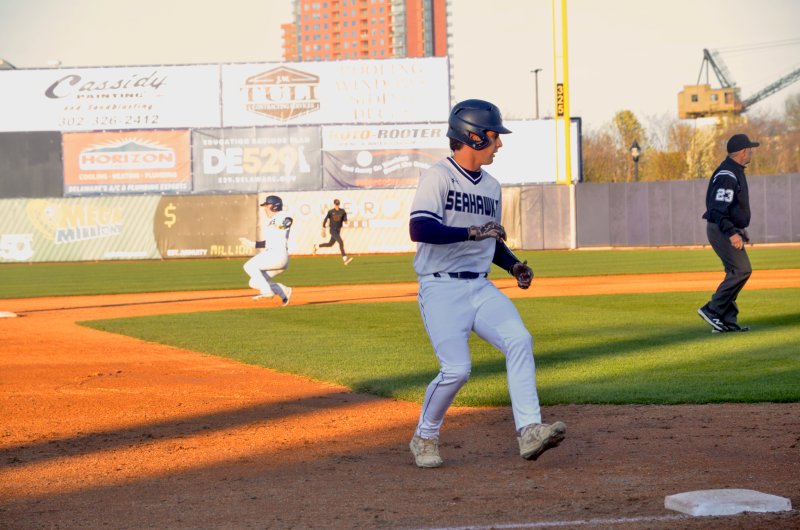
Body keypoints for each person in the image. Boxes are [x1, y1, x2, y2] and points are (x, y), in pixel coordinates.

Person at [407, 99, 566, 468]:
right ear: (473, 137)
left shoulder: (492, 186)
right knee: (457, 370)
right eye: (494, 137)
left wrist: (512, 265)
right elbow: (420, 227)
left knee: (519, 340)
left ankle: (529, 430)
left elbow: (490, 239)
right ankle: (424, 437)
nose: (500, 145)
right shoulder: (438, 176)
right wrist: (473, 231)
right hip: (441, 288)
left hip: (479, 287)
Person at [697, 133, 759, 333]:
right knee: (742, 270)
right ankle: (712, 309)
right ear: (742, 152)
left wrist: (739, 230)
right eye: (749, 149)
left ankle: (726, 321)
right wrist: (732, 233)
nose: (751, 152)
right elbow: (717, 209)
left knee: (735, 272)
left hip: (725, 228)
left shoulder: (734, 170)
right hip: (720, 229)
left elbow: (730, 207)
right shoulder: (727, 174)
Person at [239, 195, 293, 305]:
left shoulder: (281, 215)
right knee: (254, 282)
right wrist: (252, 244)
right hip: (276, 256)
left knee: (249, 266)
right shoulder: (271, 222)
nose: (265, 209)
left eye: (267, 206)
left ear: (274, 207)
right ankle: (283, 291)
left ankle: (267, 291)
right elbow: (269, 242)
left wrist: (286, 223)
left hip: (277, 254)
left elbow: (288, 220)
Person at [315, 198, 353, 265]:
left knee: (330, 244)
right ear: (334, 204)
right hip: (332, 230)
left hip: (338, 230)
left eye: (338, 204)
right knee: (341, 242)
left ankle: (317, 246)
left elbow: (345, 220)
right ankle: (345, 259)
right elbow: (325, 219)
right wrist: (323, 228)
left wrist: (346, 221)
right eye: (336, 204)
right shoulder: (331, 212)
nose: (337, 205)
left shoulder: (342, 211)